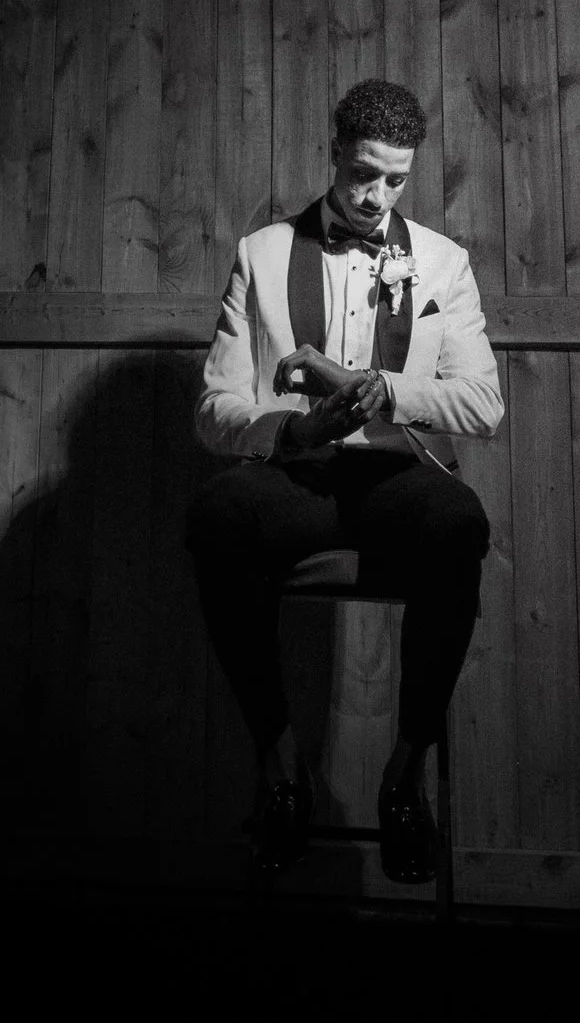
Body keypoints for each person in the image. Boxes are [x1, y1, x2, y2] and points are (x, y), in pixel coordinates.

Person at [185, 78, 501, 882]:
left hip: (396, 478)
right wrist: (289, 429)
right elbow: (213, 410)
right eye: (364, 172)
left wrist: (386, 390)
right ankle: (282, 766)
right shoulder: (262, 254)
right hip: (299, 479)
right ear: (333, 151)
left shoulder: (443, 262)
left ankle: (402, 780)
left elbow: (483, 402)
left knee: (458, 524)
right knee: (219, 514)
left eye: (396, 179)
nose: (376, 195)